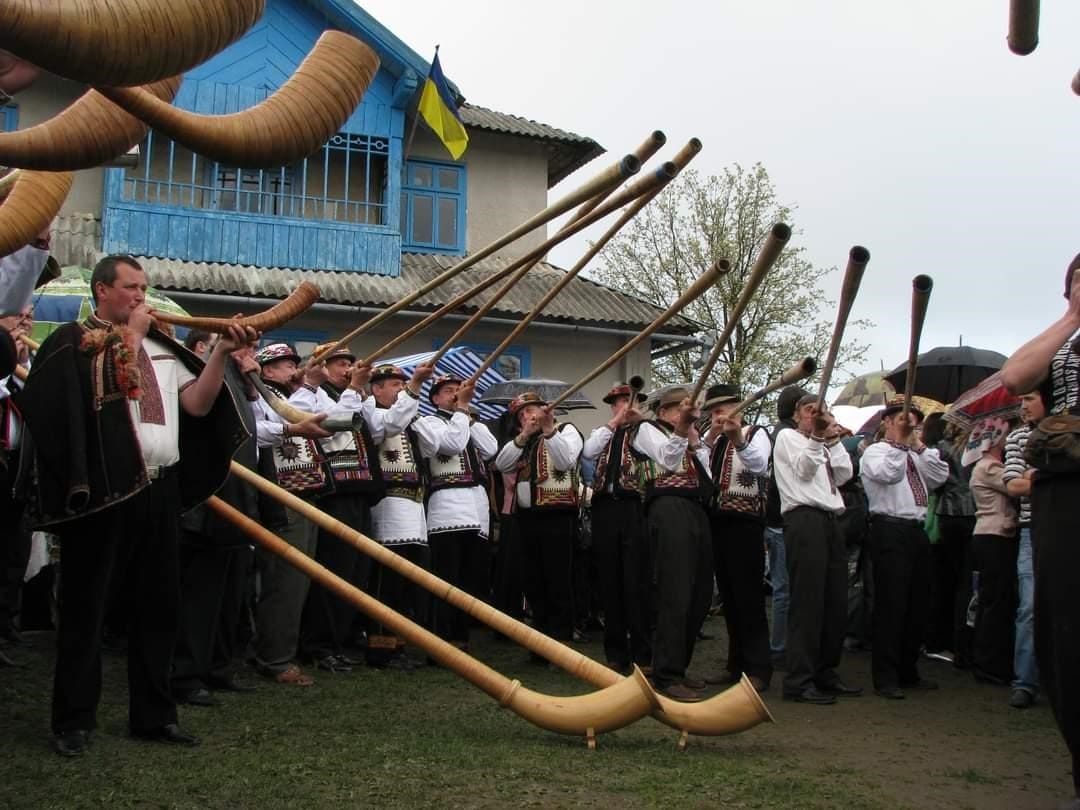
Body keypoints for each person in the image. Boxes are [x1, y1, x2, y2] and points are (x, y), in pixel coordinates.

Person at [15, 254, 255, 756]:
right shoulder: (73, 342)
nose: (140, 297)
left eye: (144, 288)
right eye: (130, 288)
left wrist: (219, 355)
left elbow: (196, 406)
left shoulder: (161, 345)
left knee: (159, 606)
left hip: (158, 489)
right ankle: (73, 720)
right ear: (103, 291)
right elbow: (71, 405)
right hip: (103, 491)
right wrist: (129, 337)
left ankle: (154, 715)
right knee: (88, 608)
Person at [1002, 251, 1080, 810]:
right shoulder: (1061, 345)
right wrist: (1073, 317)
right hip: (1065, 487)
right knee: (1063, 632)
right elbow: (1014, 376)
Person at [170, 330, 262, 706]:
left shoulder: (240, 383)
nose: (252, 353)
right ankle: (187, 675)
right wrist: (230, 357)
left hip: (239, 501)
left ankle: (219, 667)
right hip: (210, 502)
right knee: (200, 597)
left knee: (229, 596)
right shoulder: (208, 374)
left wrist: (253, 380)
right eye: (246, 347)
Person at [289, 344, 383, 673]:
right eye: (341, 363)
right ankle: (318, 644)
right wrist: (355, 387)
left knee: (355, 572)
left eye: (350, 363)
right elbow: (336, 424)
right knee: (334, 570)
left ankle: (338, 640)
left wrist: (363, 390)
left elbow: (382, 427)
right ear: (323, 367)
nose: (347, 368)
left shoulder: (352, 396)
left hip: (357, 490)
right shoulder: (315, 395)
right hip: (333, 492)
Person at [249, 341, 330, 687]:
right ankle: (274, 657)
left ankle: (283, 651)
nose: (292, 369)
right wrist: (308, 385)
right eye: (286, 365)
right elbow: (286, 421)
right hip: (282, 498)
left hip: (305, 496)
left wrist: (307, 387)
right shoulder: (263, 394)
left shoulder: (289, 392)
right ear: (267, 371)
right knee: (284, 581)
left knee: (300, 580)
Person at [772, 394, 860, 705]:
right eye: (810, 411)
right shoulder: (788, 437)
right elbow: (805, 471)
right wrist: (818, 437)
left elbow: (844, 475)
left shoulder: (823, 442)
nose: (816, 416)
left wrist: (832, 440)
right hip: (803, 519)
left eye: (822, 412)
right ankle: (798, 680)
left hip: (831, 519)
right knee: (808, 601)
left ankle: (825, 671)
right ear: (797, 416)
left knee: (834, 600)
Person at [859, 398, 949, 699]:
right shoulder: (876, 452)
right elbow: (889, 475)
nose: (908, 425)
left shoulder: (919, 454)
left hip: (916, 530)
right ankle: (885, 677)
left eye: (913, 420)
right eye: (901, 419)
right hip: (888, 528)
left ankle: (908, 670)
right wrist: (899, 443)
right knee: (891, 605)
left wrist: (918, 446)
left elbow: (939, 478)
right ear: (887, 422)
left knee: (918, 605)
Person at [631, 386, 713, 702]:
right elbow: (667, 458)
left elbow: (708, 475)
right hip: (667, 508)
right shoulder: (646, 429)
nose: (685, 414)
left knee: (700, 591)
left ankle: (678, 664)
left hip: (696, 508)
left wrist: (694, 437)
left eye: (687, 409)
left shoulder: (688, 436)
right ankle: (666, 673)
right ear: (664, 412)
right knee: (675, 590)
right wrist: (683, 429)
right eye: (678, 409)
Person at [699, 384, 772, 693]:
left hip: (745, 524)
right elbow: (697, 465)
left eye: (724, 408)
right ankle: (735, 665)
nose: (719, 415)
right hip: (717, 522)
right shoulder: (711, 442)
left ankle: (758, 668)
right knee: (730, 597)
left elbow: (759, 466)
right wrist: (710, 436)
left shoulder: (757, 433)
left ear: (739, 408)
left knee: (749, 597)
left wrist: (737, 437)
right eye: (714, 411)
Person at [494, 392, 583, 645]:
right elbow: (502, 465)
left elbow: (566, 461)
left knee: (558, 578)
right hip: (527, 517)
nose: (527, 417)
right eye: (521, 415)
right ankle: (540, 640)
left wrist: (548, 430)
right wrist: (523, 436)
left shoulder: (567, 431)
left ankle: (561, 638)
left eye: (530, 410)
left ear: (545, 410)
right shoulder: (521, 441)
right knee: (532, 579)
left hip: (558, 514)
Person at [417, 373, 497, 650]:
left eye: (458, 390)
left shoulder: (467, 421)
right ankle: (441, 637)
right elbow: (451, 444)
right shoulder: (429, 422)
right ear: (435, 397)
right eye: (448, 390)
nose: (454, 394)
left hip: (476, 507)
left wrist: (468, 415)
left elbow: (490, 449)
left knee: (470, 575)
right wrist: (462, 411)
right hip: (447, 507)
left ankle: (461, 637)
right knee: (446, 575)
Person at [366, 363, 434, 668]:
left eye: (401, 384)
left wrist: (415, 415)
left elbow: (433, 447)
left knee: (408, 581)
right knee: (388, 581)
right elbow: (388, 425)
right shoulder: (373, 413)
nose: (399, 389)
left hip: (415, 507)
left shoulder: (407, 417)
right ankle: (381, 647)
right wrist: (414, 389)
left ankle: (400, 645)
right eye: (393, 385)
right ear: (376, 389)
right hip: (390, 505)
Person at [580, 381, 650, 674]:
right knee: (609, 580)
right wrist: (614, 423)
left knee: (636, 581)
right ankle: (615, 652)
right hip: (605, 507)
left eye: (627, 400)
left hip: (634, 506)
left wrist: (637, 421)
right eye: (618, 402)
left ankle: (643, 653)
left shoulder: (645, 431)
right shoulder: (603, 432)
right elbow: (588, 451)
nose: (623, 406)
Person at [965, 416, 1019, 687]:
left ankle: (988, 660)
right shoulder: (990, 467)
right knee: (995, 601)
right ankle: (989, 663)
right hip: (995, 535)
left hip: (990, 534)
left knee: (992, 599)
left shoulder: (985, 466)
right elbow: (1016, 486)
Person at [1002, 390, 1045, 709]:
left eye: (1030, 398)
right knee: (1030, 607)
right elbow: (1014, 485)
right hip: (1033, 529)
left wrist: (1036, 477)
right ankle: (1025, 683)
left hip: (1068, 527)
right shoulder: (1018, 438)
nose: (1023, 406)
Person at [763, 385, 806, 666]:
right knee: (784, 589)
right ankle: (779, 647)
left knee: (785, 588)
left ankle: (783, 644)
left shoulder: (779, 433)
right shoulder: (786, 436)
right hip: (781, 520)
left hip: (778, 519)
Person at [0, 303, 32, 667]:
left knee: (13, 551)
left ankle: (6, 623)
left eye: (28, 321)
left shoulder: (23, 374)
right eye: (18, 320)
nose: (24, 327)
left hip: (16, 473)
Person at [931, 423, 977, 666]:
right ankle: (962, 645)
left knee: (946, 581)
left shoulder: (941, 448)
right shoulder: (979, 446)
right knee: (966, 583)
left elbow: (935, 484)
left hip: (947, 514)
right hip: (972, 515)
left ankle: (942, 641)